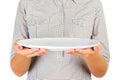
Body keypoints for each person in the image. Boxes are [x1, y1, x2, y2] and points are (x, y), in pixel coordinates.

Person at [10, 0, 110, 80]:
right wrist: (22, 54)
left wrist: (91, 55)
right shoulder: (27, 3)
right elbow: (18, 72)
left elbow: (101, 72)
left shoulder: (93, 4)